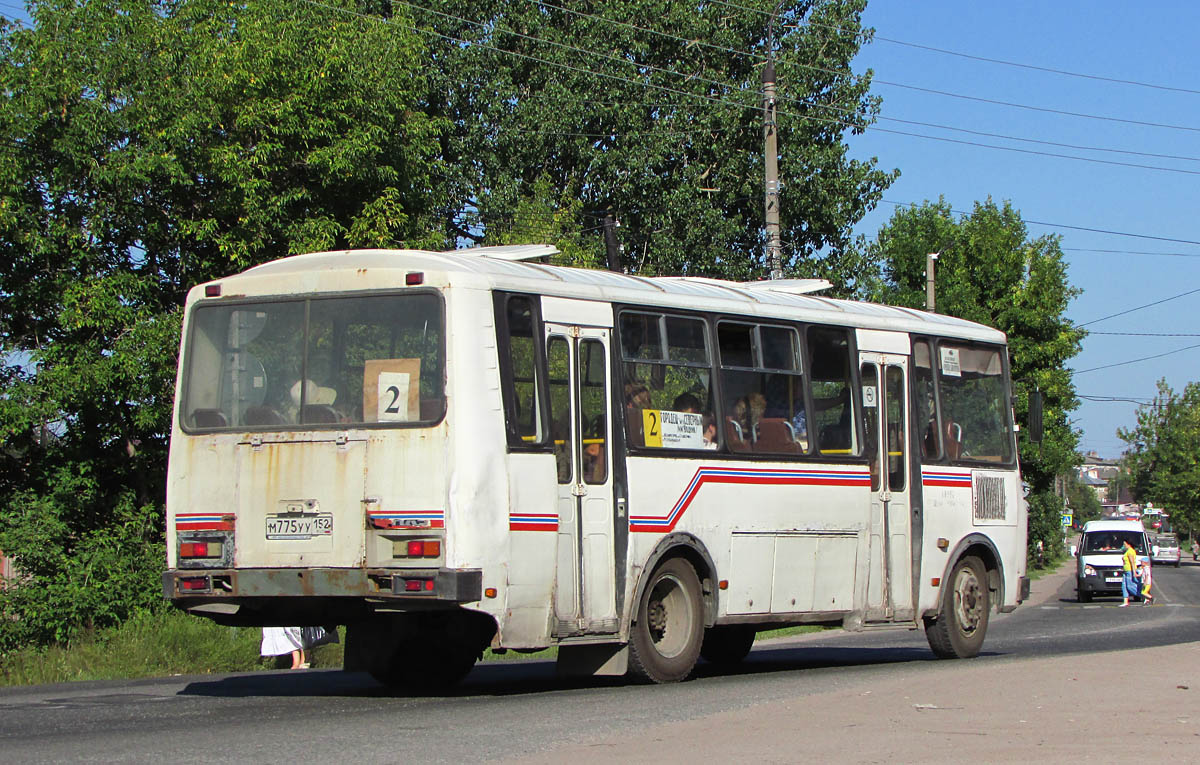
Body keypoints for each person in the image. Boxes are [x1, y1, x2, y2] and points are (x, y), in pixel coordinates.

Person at [1120, 539, 1140, 607]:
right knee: (1124, 586)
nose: (1124, 545)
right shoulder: (1127, 551)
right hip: (1125, 571)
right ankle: (1125, 601)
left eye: (1124, 544)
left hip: (1129, 571)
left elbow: (1132, 562)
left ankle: (1143, 595)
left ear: (1128, 544)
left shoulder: (1131, 551)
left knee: (1130, 586)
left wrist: (1134, 572)